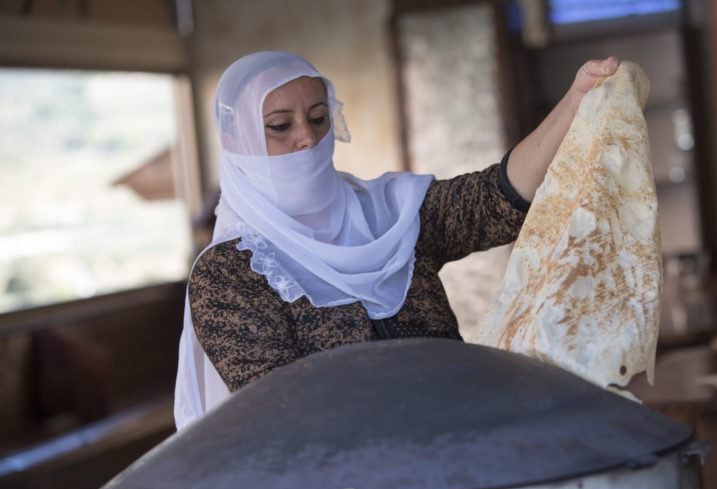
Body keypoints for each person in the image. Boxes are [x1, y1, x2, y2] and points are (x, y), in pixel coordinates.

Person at [174, 50, 619, 429]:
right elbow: (280, 411)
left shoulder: (390, 214)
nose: (306, 138)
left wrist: (575, 102)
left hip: (467, 444)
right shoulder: (230, 272)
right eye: (279, 126)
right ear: (236, 138)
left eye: (317, 117)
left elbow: (493, 200)